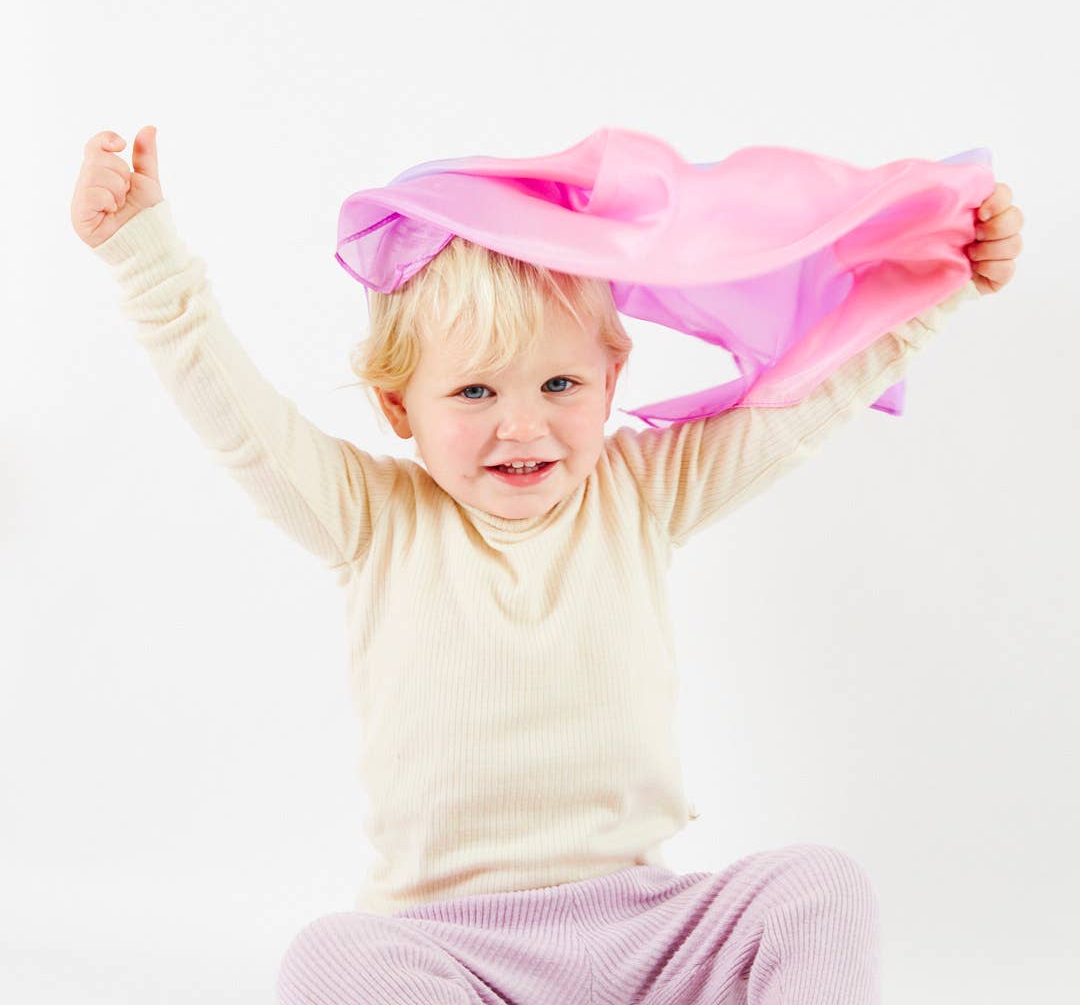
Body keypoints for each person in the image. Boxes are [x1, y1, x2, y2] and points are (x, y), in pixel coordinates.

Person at [71, 126, 1022, 1004]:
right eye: (475, 389)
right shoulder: (370, 516)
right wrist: (141, 251)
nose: (521, 424)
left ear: (612, 380)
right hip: (449, 954)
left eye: (559, 384)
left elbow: (810, 401)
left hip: (652, 935)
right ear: (400, 407)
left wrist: (939, 282)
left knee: (818, 886)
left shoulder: (642, 492)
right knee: (328, 958)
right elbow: (235, 416)